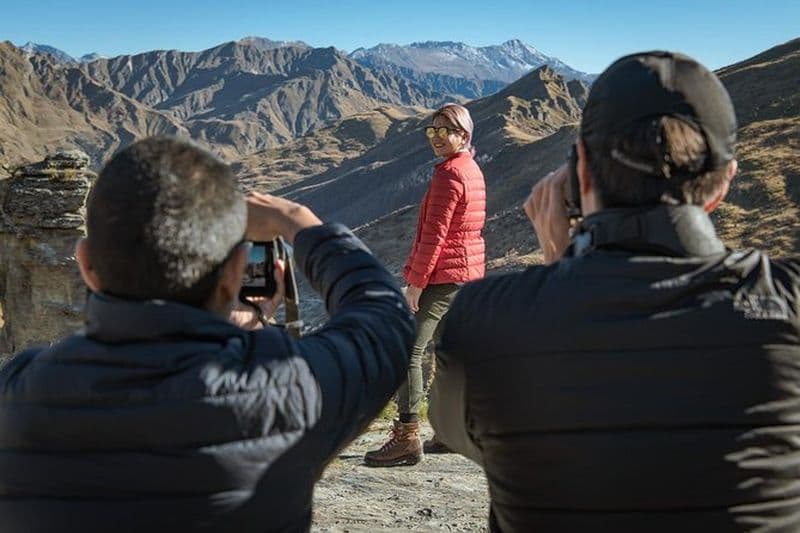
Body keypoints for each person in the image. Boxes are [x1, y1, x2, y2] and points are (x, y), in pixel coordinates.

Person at [429, 51, 800, 531]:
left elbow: (458, 430)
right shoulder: (789, 304)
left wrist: (559, 273)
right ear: (724, 183)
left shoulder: (485, 322)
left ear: (581, 170)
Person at [0, 137, 415, 532]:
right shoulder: (291, 389)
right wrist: (298, 222)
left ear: (86, 265)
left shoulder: (18, 390)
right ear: (235, 271)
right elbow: (386, 318)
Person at [364, 103, 486, 467]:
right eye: (432, 130)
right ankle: (452, 431)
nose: (436, 137)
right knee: (448, 352)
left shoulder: (449, 174)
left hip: (441, 275)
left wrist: (415, 284)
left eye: (444, 130)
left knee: (408, 351)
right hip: (465, 274)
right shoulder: (471, 168)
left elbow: (435, 236)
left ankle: (406, 437)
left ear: (463, 134)